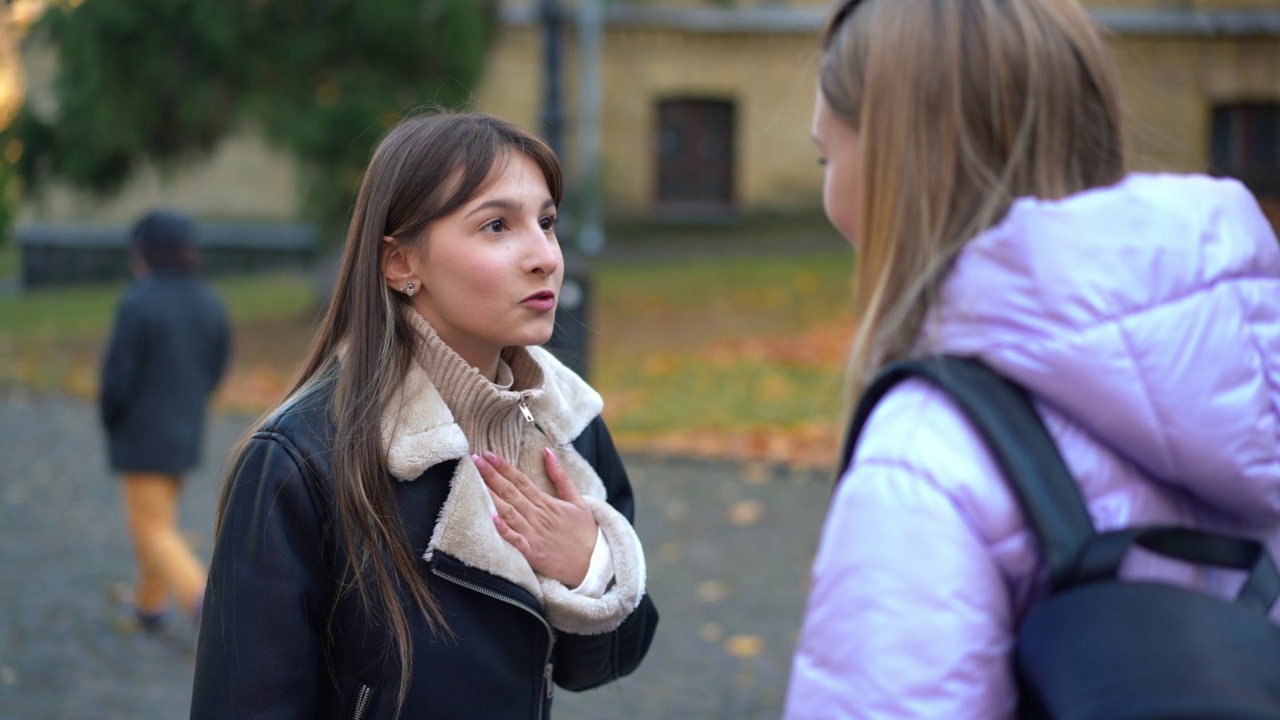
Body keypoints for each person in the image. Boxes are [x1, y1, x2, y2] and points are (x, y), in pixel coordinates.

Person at [785, 0, 1280, 717]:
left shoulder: (930, 447)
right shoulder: (1251, 369)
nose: (831, 193)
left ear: (899, 165)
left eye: (829, 158)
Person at [189, 112, 658, 720]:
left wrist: (589, 565)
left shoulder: (569, 426)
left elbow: (605, 663)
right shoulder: (301, 458)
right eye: (496, 225)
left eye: (546, 223)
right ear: (400, 264)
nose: (545, 256)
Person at [100, 210, 230, 633]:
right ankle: (150, 603)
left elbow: (117, 377)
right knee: (160, 521)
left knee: (152, 528)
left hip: (141, 433)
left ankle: (201, 601)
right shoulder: (209, 301)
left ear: (145, 253)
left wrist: (111, 415)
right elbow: (216, 365)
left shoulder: (137, 302)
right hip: (186, 428)